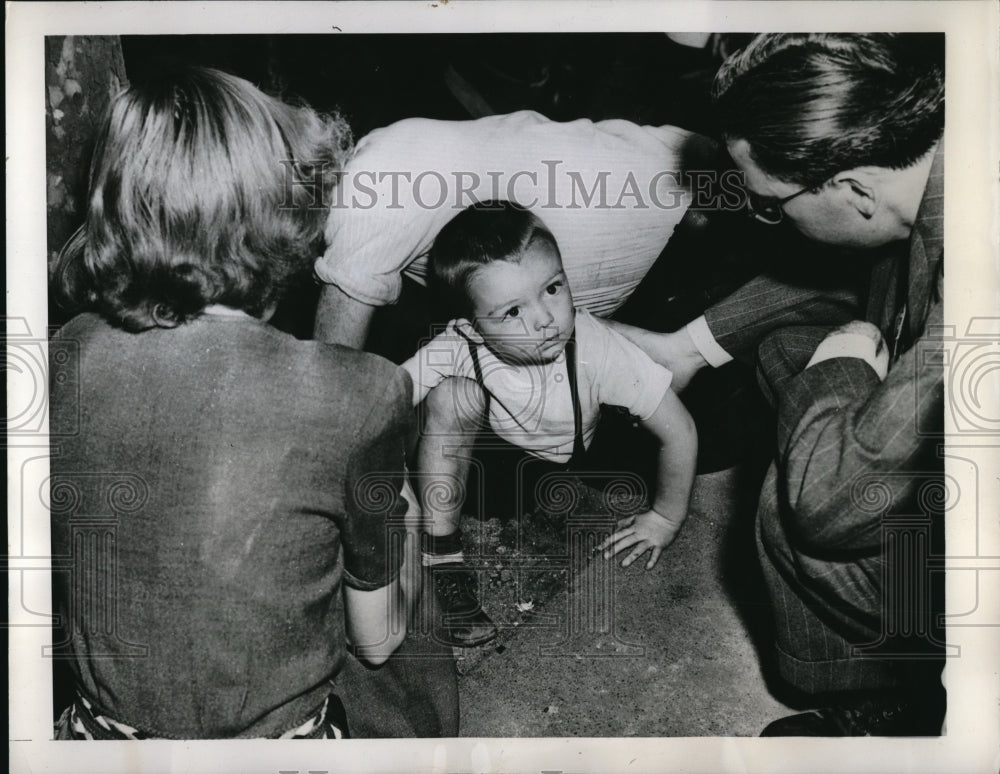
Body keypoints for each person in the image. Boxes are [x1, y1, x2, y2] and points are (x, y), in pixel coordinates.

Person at [48, 66, 457, 739]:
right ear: (277, 217)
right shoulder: (361, 392)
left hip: (97, 738)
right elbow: (377, 641)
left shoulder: (67, 352)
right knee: (404, 605)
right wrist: (402, 516)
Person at [618, 33, 946, 735]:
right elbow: (850, 280)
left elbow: (827, 502)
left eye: (773, 203)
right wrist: (687, 347)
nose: (771, 220)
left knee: (796, 510)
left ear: (854, 189)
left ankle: (895, 706)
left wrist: (846, 357)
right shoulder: (922, 178)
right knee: (784, 356)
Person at [402, 201, 697, 647]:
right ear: (472, 328)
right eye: (513, 312)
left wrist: (665, 516)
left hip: (573, 460)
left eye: (553, 288)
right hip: (493, 468)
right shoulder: (459, 343)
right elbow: (386, 393)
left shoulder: (595, 348)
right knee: (452, 394)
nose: (544, 319)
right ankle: (441, 554)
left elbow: (679, 430)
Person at [312, 108, 718, 349]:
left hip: (692, 222)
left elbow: (331, 387)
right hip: (678, 163)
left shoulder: (364, 196)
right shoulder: (380, 150)